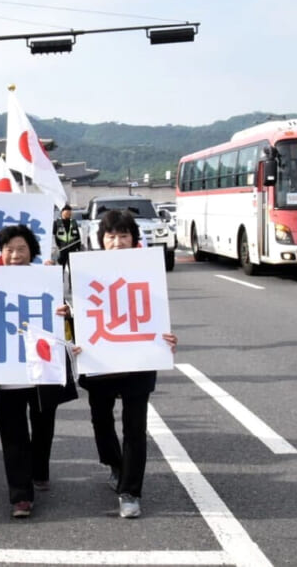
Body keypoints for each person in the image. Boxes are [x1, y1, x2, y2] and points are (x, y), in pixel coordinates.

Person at [0, 224, 77, 518]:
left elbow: (67, 313)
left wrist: (64, 310)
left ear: (32, 251)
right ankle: (20, 495)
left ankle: (39, 470)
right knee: (13, 434)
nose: (15, 254)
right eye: (9, 249)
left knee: (43, 427)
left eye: (21, 249)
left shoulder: (47, 277)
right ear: (0, 253)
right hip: (6, 372)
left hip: (41, 369)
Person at [79, 210, 178, 519]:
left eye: (124, 236)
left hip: (139, 357)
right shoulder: (87, 270)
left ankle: (130, 491)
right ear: (101, 241)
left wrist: (166, 338)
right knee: (101, 420)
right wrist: (68, 318)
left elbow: (156, 310)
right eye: (111, 236)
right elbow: (77, 307)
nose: (118, 242)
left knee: (135, 427)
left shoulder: (147, 269)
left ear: (135, 239)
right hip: (101, 358)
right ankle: (114, 463)